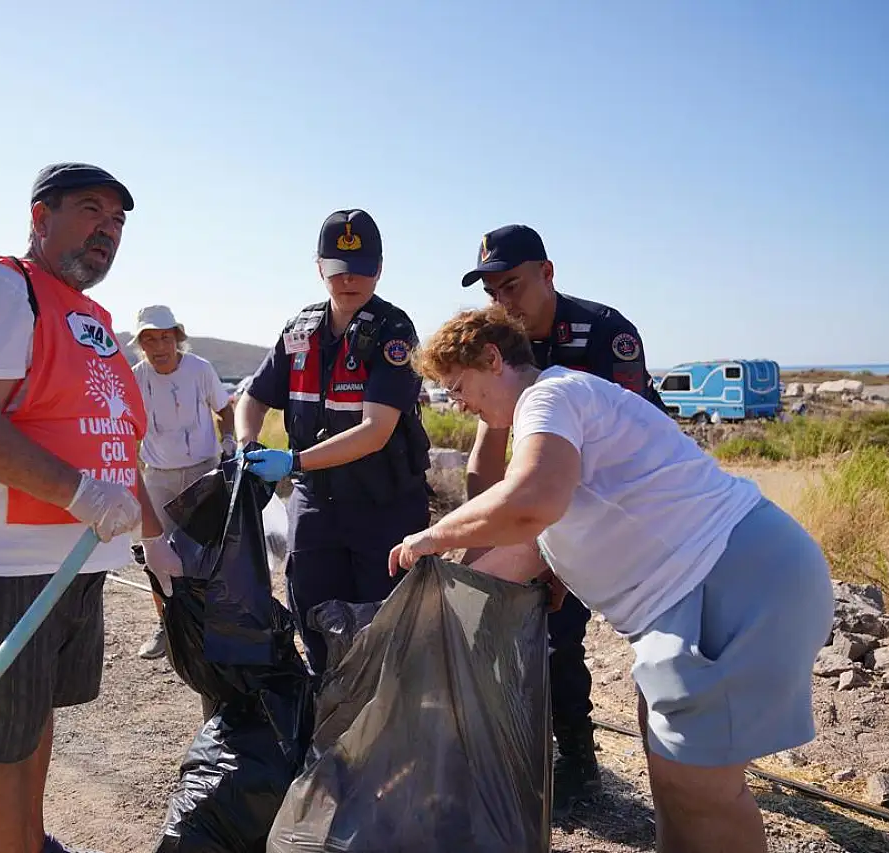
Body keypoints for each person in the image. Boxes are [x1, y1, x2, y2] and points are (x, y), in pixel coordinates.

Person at [390, 305, 835, 853]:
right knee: (670, 774)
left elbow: (530, 502)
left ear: (492, 358)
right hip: (695, 594)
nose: (457, 403)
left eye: (459, 386)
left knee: (704, 790)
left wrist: (432, 538)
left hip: (731, 580)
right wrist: (433, 611)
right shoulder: (554, 414)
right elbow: (524, 545)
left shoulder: (549, 397)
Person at [0, 162, 182, 853]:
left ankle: (31, 842)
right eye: (92, 210)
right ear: (41, 216)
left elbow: (118, 443)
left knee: (33, 718)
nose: (108, 229)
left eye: (118, 220)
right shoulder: (1, 289)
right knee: (3, 735)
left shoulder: (90, 317)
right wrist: (78, 493)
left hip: (73, 562)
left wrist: (157, 542)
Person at [458, 223, 665, 810]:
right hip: (553, 512)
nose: (504, 302)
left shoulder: (604, 332)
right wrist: (482, 546)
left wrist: (551, 553)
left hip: (627, 509)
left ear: (548, 274)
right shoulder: (503, 344)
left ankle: (683, 775)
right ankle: (576, 761)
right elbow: (486, 455)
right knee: (553, 637)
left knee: (656, 645)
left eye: (513, 285)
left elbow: (616, 460)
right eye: (493, 291)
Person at [235, 208, 432, 677]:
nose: (351, 282)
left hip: (383, 505)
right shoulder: (299, 331)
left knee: (387, 627)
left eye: (363, 270)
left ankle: (385, 736)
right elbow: (253, 398)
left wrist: (293, 460)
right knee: (313, 616)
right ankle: (330, 724)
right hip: (317, 503)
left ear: (380, 269)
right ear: (320, 267)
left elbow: (376, 431)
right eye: (340, 271)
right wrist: (246, 441)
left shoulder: (393, 332)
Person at [129, 303, 236, 660]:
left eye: (165, 337)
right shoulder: (136, 377)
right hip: (158, 475)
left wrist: (229, 443)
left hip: (202, 469)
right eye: (150, 340)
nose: (159, 347)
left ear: (177, 338)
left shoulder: (200, 370)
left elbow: (224, 409)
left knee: (209, 549)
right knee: (157, 553)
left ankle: (213, 622)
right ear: (140, 344)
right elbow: (128, 429)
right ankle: (167, 624)